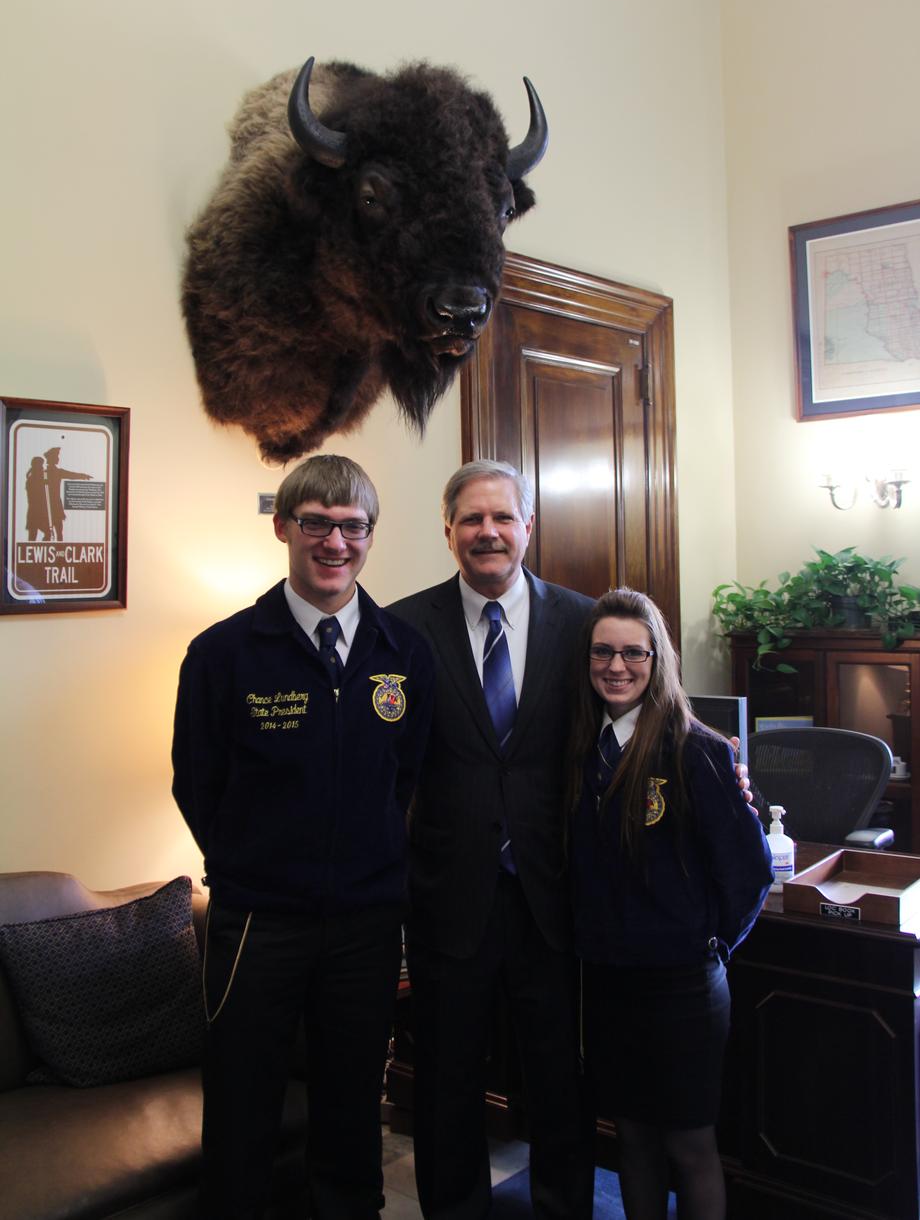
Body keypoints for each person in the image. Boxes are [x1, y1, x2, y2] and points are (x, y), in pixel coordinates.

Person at [171, 453, 434, 1220]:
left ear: (370, 536)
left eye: (352, 527)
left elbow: (405, 775)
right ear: (284, 527)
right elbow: (197, 781)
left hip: (365, 923)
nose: (335, 542)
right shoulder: (224, 653)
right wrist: (253, 862)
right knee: (243, 1100)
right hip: (259, 922)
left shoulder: (402, 653)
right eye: (315, 523)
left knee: (352, 1104)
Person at [388, 459, 596, 1220]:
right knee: (446, 1081)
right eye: (471, 519)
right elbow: (387, 765)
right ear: (448, 532)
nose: (488, 533)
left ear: (528, 527)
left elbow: (637, 715)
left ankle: (565, 1207)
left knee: (558, 1078)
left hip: (554, 894)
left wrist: (718, 759)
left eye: (503, 518)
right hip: (449, 897)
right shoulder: (402, 629)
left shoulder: (583, 623)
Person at [566, 587, 773, 1220]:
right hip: (608, 983)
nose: (617, 667)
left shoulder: (696, 750)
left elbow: (748, 873)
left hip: (682, 989)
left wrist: (706, 945)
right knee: (631, 1137)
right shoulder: (579, 748)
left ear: (659, 660)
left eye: (634, 653)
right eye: (603, 652)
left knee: (689, 1144)